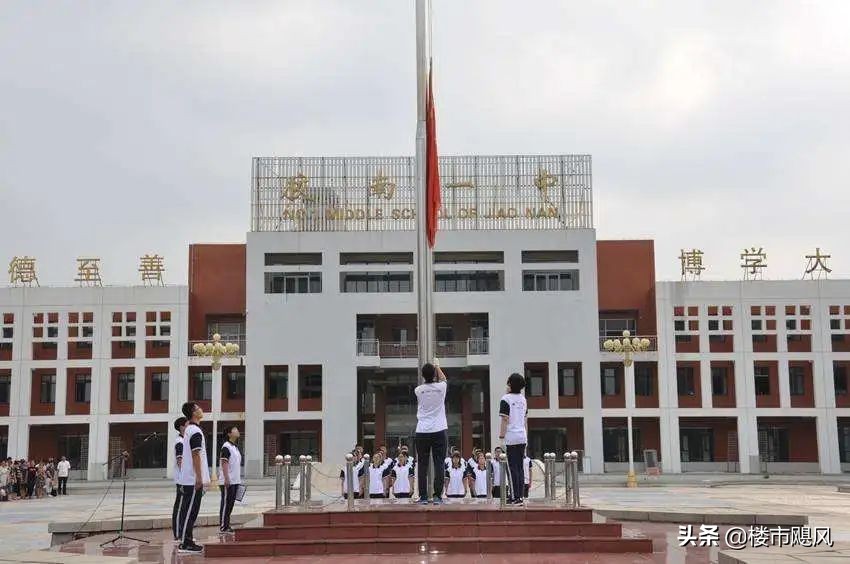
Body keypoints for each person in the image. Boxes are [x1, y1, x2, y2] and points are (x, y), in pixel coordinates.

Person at [177, 401, 209, 554]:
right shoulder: (195, 430)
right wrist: (199, 477)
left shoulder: (190, 429)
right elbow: (196, 455)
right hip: (192, 479)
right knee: (190, 512)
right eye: (197, 408)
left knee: (190, 511)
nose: (201, 409)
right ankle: (185, 543)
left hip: (190, 478)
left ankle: (187, 540)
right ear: (193, 412)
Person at [414, 360, 448, 505]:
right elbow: (444, 379)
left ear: (422, 375)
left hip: (422, 430)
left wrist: (432, 370)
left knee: (422, 464)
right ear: (434, 374)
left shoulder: (418, 390)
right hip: (439, 429)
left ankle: (422, 496)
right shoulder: (441, 387)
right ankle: (437, 496)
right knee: (439, 463)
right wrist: (437, 366)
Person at [499, 372, 529, 505]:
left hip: (511, 437)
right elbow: (525, 419)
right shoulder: (523, 399)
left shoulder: (505, 399)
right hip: (522, 436)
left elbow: (505, 419)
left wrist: (501, 436)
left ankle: (514, 496)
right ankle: (520, 496)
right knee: (520, 467)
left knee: (512, 468)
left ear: (510, 384)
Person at [219, 426, 242, 534]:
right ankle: (223, 526)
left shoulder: (235, 447)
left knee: (230, 503)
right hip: (228, 481)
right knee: (226, 503)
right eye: (235, 429)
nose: (237, 431)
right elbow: (224, 462)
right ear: (229, 434)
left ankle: (227, 525)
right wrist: (226, 478)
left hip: (235, 480)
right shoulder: (226, 447)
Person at [172, 417, 187, 541]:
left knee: (183, 506)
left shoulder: (184, 440)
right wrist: (184, 477)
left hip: (186, 479)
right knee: (180, 506)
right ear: (182, 427)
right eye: (187, 423)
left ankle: (182, 532)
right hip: (182, 480)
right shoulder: (180, 442)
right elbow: (180, 460)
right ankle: (178, 534)